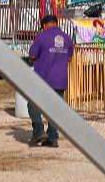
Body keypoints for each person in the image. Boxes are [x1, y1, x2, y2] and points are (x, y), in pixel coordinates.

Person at [27, 14, 74, 147]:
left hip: (43, 79)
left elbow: (32, 55)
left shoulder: (42, 36)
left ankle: (38, 131)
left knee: (33, 104)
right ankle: (52, 138)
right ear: (56, 23)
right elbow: (69, 58)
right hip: (60, 80)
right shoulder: (67, 38)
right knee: (55, 108)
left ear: (44, 25)